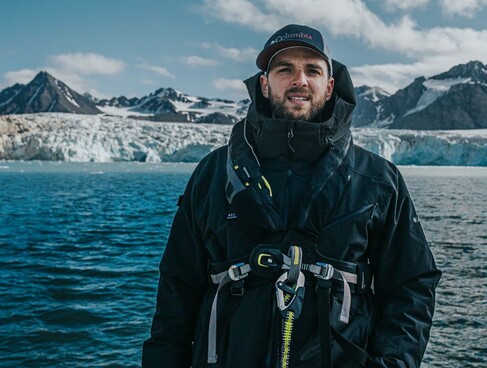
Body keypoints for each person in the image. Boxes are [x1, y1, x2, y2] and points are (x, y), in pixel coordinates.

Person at [142, 24, 441, 367]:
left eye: (312, 70)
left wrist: (393, 363)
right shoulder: (213, 174)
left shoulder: (376, 178)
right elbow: (176, 289)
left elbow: (412, 282)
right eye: (285, 69)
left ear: (329, 87)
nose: (299, 80)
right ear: (264, 84)